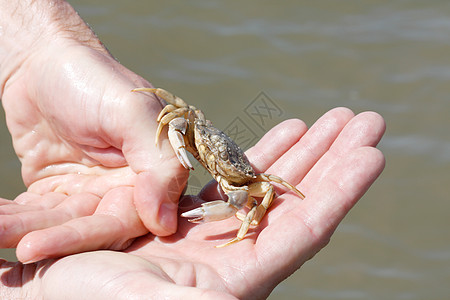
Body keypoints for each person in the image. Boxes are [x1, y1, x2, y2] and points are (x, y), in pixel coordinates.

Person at [0, 0, 386, 298]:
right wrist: (38, 54)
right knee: (174, 114)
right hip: (206, 137)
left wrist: (37, 51)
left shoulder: (249, 180)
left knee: (253, 200)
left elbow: (262, 191)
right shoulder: (194, 124)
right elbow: (172, 111)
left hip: (236, 169)